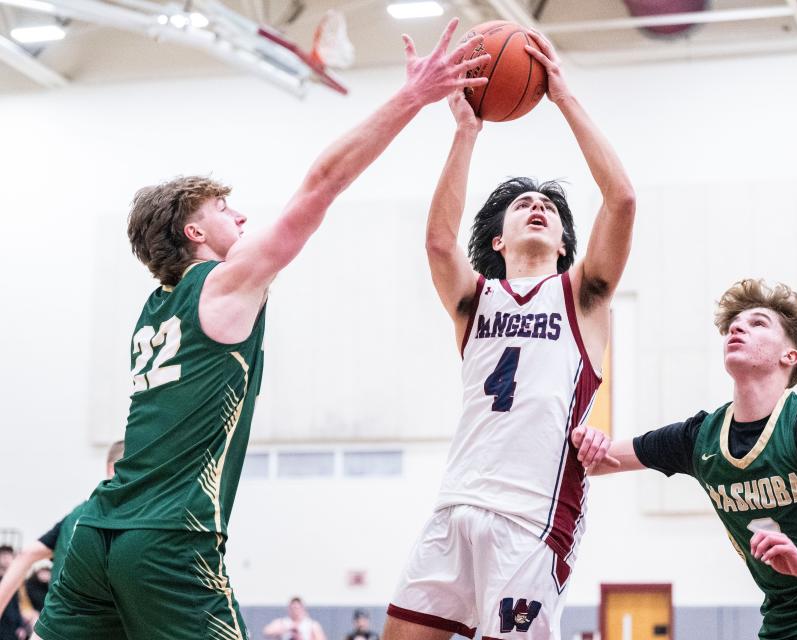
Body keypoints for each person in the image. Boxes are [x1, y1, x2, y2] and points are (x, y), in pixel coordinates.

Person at [32, 19, 490, 640]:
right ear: (194, 233)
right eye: (223, 209)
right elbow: (321, 186)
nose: (242, 214)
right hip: (168, 538)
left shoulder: (153, 308)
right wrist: (413, 95)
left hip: (93, 535)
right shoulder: (218, 285)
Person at [385, 31, 635, 640]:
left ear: (565, 246)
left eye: (548, 208)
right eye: (522, 204)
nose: (536, 206)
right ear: (498, 240)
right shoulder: (475, 302)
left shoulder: (583, 296)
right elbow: (439, 243)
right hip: (456, 504)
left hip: (532, 517)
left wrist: (563, 98)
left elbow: (622, 200)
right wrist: (466, 131)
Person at [592, 279, 797, 640]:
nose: (738, 327)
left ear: (790, 355)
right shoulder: (700, 437)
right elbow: (598, 460)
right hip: (784, 619)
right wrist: (587, 438)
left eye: (758, 323)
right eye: (733, 325)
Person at [0, 440, 125, 622]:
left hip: (55, 625)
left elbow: (26, 554)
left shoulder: (76, 515)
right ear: (114, 469)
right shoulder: (128, 518)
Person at [0, 546, 27, 640]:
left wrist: (21, 626)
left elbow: (16, 605)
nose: (6, 559)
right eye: (3, 556)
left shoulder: (14, 580)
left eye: (9, 556)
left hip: (12, 627)